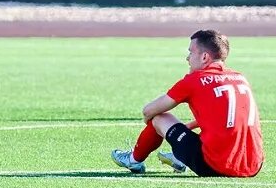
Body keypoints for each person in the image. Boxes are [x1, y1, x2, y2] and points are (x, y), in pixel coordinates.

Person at [111, 30, 264, 177]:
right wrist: (186, 128)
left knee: (159, 118)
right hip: (253, 165)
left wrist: (152, 122)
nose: (187, 58)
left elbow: (148, 111)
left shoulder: (194, 80)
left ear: (204, 57)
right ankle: (179, 158)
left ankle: (133, 160)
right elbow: (226, 117)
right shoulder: (240, 78)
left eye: (191, 52)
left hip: (214, 166)